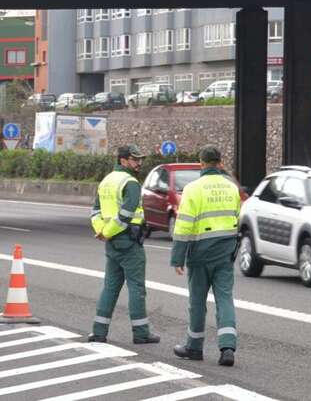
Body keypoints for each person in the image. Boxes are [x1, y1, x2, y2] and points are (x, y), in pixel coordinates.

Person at [171, 145, 241, 366]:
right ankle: (227, 347)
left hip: (200, 252)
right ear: (220, 163)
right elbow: (237, 217)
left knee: (197, 301)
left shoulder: (193, 189)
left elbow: (183, 226)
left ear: (201, 164)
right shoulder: (231, 188)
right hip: (225, 251)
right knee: (224, 298)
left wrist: (177, 258)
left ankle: (194, 347)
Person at [88, 145, 160, 345]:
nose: (139, 163)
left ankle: (99, 332)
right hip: (129, 242)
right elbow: (126, 215)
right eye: (135, 159)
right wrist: (108, 231)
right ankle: (141, 333)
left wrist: (102, 231)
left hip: (111, 243)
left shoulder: (106, 181)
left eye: (140, 159)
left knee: (110, 287)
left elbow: (95, 211)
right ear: (123, 160)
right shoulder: (131, 183)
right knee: (137, 288)